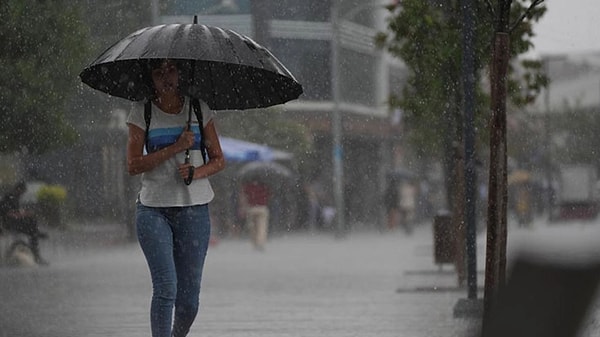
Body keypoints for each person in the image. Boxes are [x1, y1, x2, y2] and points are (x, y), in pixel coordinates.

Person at [126, 59, 225, 337]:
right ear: (151, 78)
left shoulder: (198, 109)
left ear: (180, 73)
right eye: (158, 72)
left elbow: (218, 160)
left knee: (189, 302)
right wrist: (175, 148)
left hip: (195, 211)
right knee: (166, 287)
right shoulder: (141, 111)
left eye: (170, 70)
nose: (165, 77)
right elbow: (133, 165)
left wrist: (196, 171)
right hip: (153, 211)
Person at [0, 181, 49, 265]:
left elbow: (15, 211)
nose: (22, 194)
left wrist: (23, 213)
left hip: (14, 222)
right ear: (18, 189)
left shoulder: (15, 197)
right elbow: (8, 212)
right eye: (22, 191)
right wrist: (22, 214)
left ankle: (36, 252)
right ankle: (36, 254)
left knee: (32, 224)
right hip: (9, 224)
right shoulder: (9, 197)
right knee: (32, 228)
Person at [242, 179, 270, 251]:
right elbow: (268, 196)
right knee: (262, 227)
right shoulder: (264, 186)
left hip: (251, 208)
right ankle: (260, 242)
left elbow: (244, 197)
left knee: (252, 227)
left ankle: (254, 242)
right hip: (262, 208)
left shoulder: (248, 187)